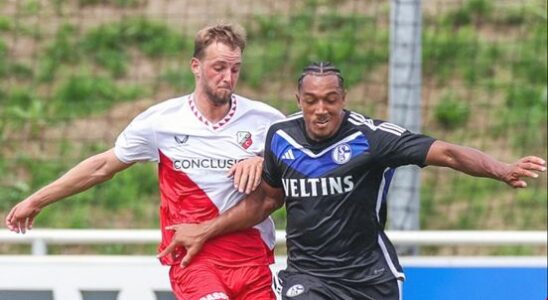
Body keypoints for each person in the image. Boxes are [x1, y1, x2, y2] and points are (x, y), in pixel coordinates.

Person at [159, 61, 546, 300]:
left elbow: (446, 152)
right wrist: (206, 230)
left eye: (330, 99)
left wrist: (500, 169)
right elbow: (264, 201)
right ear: (299, 99)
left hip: (370, 278)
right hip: (309, 277)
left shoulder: (372, 138)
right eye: (312, 100)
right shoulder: (280, 137)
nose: (321, 109)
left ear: (343, 98)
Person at [5, 24, 285, 300]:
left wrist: (263, 162)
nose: (228, 77)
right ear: (195, 66)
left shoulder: (266, 122)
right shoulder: (161, 121)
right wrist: (37, 200)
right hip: (194, 258)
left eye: (235, 69)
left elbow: (300, 172)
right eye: (219, 67)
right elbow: (102, 166)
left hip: (252, 258)